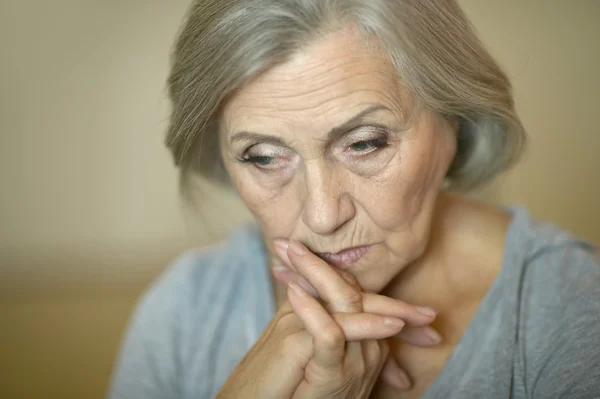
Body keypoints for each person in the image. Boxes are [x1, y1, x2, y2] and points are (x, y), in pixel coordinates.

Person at [108, 1, 600, 398]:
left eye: (365, 144)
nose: (322, 217)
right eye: (262, 156)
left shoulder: (574, 311)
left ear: (456, 119)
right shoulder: (183, 311)